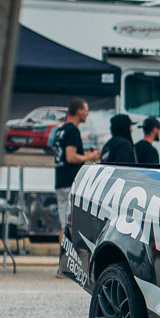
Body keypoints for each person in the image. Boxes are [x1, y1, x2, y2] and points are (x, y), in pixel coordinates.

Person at [50, 98, 98, 231]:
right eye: (86, 110)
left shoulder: (60, 130)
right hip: (71, 184)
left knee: (64, 227)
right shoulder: (72, 130)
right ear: (79, 111)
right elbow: (70, 157)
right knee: (72, 229)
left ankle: (61, 252)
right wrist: (90, 157)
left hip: (60, 181)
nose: (87, 114)